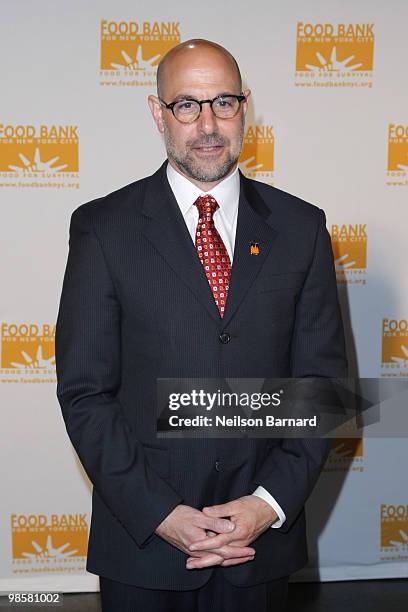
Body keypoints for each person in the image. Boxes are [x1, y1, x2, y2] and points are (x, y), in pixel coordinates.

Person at [55, 38, 347, 612]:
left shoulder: (303, 228)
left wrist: (267, 505)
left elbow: (324, 390)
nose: (208, 124)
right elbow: (86, 392)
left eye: (224, 103)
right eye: (187, 105)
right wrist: (160, 514)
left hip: (258, 551)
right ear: (157, 113)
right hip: (142, 548)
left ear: (246, 108)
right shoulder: (102, 228)